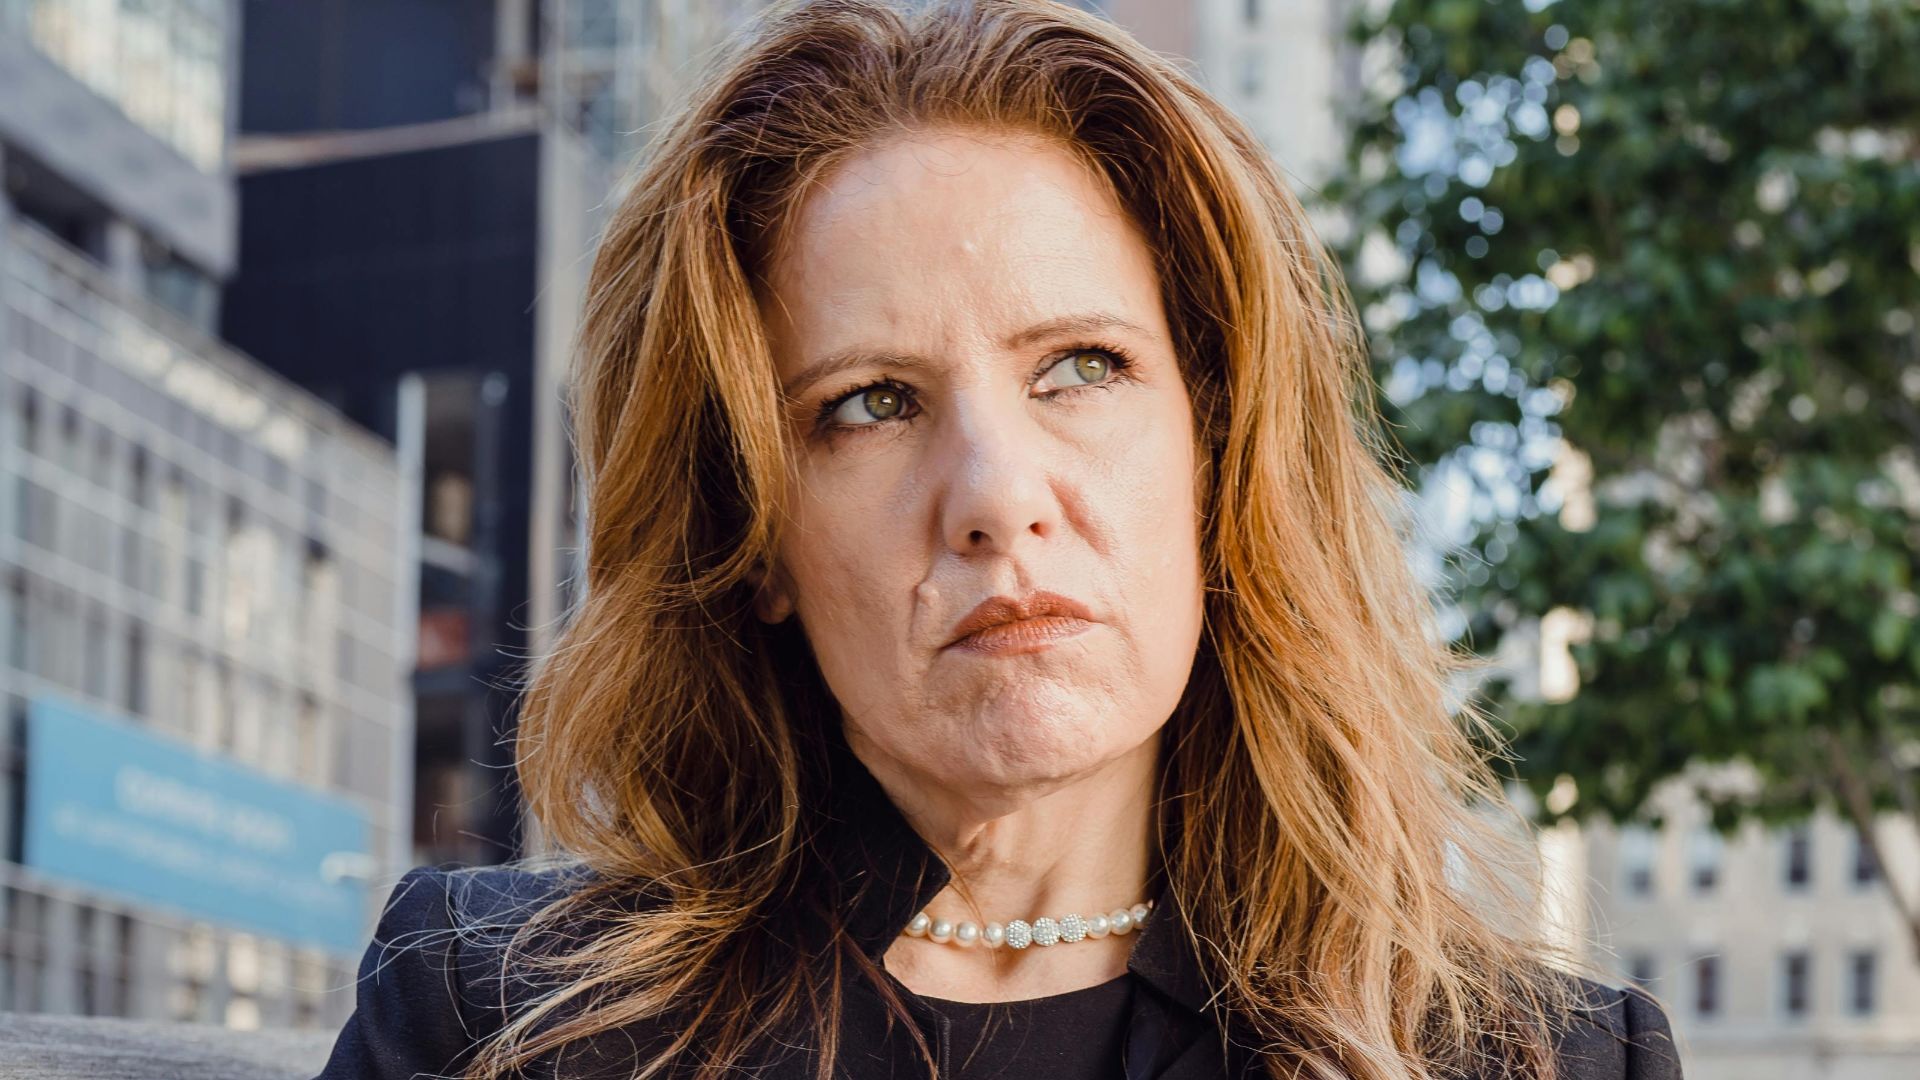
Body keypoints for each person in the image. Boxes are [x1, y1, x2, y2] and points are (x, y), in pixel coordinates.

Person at [314, 1, 1682, 1077]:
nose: (994, 493)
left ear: (1217, 455)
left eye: (1080, 367)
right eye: (868, 404)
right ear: (758, 537)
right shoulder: (497, 1021)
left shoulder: (1540, 1060)